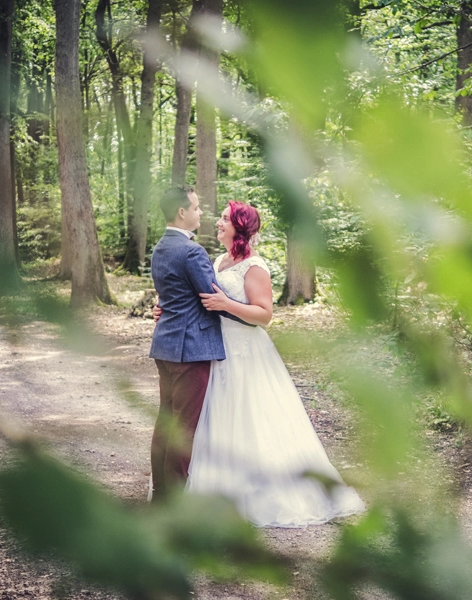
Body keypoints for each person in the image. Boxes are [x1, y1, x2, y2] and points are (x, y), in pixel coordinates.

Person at [188, 201, 365, 527]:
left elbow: (264, 314)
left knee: (252, 414)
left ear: (240, 228)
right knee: (221, 414)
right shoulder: (220, 260)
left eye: (225, 219)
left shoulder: (254, 266)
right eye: (221, 218)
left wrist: (226, 304)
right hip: (218, 347)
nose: (219, 223)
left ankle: (265, 494)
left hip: (246, 350)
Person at [148, 185, 228, 502]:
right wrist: (250, 312)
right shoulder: (192, 252)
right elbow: (214, 298)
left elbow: (172, 295)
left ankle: (160, 496)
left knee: (166, 424)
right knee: (183, 431)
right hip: (191, 350)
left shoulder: (160, 248)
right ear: (182, 212)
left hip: (165, 345)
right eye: (196, 208)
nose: (200, 212)